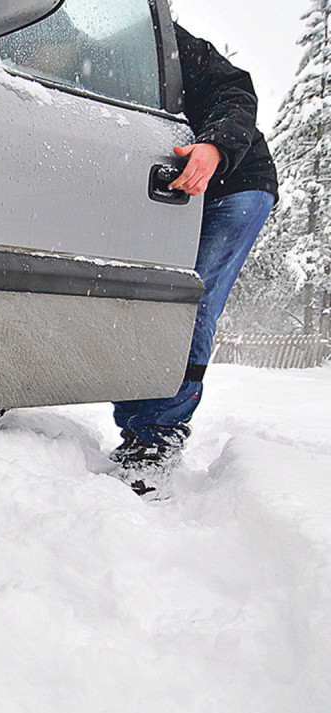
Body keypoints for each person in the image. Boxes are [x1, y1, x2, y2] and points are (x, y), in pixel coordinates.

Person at [111, 24, 279, 495]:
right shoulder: (55, 54)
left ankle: (156, 438)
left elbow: (234, 89)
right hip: (167, 188)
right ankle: (137, 425)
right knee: (146, 302)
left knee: (190, 302)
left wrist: (215, 146)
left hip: (235, 183)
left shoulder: (148, 37)